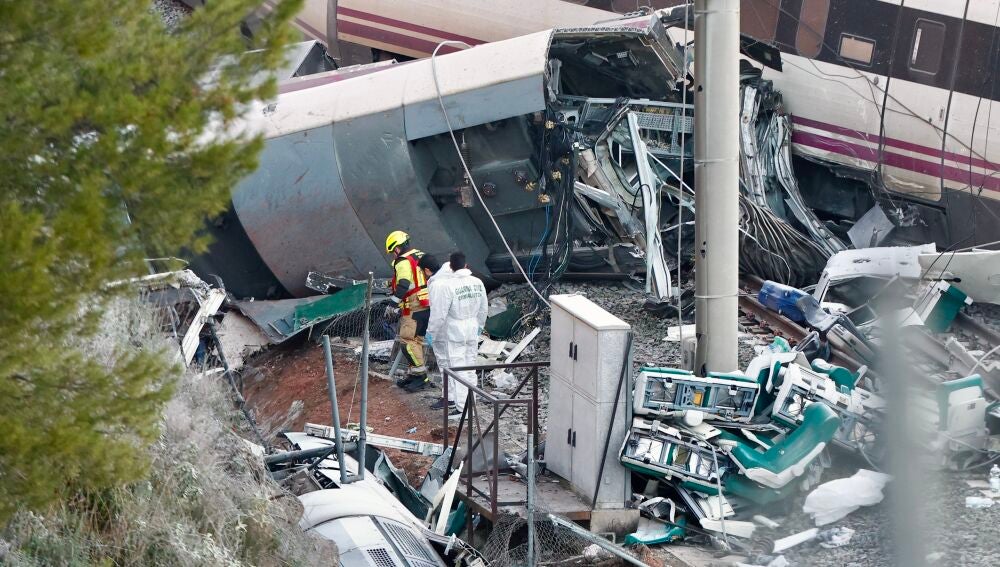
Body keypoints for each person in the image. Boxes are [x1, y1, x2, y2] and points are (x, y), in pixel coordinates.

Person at [427, 251, 488, 414]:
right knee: (470, 367)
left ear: (451, 267)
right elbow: (483, 308)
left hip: (455, 331)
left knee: (458, 369)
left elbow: (439, 314)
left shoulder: (448, 286)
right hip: (472, 327)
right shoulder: (477, 282)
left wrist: (431, 332)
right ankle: (471, 404)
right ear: (466, 265)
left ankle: (462, 409)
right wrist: (480, 325)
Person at [384, 230, 431, 392]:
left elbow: (404, 283)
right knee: (416, 341)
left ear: (397, 248)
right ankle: (414, 375)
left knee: (407, 341)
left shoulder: (402, 261)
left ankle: (421, 377)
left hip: (414, 306)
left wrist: (392, 304)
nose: (394, 255)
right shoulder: (419, 255)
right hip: (426, 304)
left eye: (393, 251)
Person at [418, 254, 457, 412]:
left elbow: (437, 314)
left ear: (427, 270)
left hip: (444, 329)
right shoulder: (451, 275)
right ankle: (456, 397)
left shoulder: (437, 285)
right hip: (457, 326)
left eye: (422, 271)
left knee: (445, 363)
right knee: (456, 364)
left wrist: (430, 333)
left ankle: (449, 398)